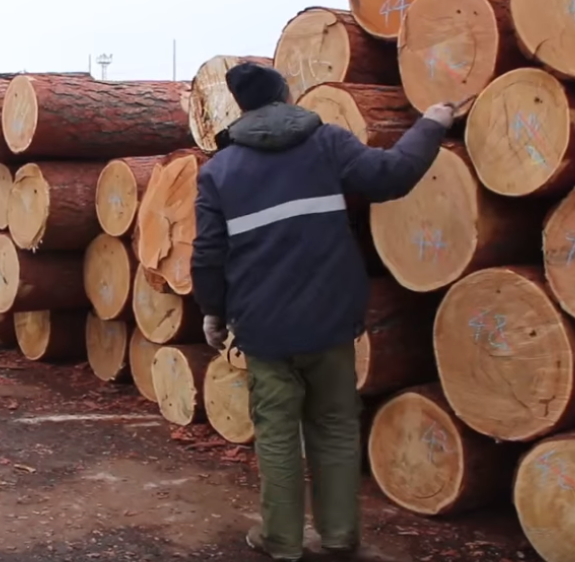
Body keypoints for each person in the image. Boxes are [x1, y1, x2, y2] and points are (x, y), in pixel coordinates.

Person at [190, 63, 455, 560]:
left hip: (264, 328)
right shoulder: (326, 143)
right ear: (286, 96)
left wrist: (212, 313)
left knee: (277, 435)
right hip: (331, 321)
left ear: (241, 108)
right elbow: (391, 175)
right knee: (334, 427)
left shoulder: (218, 172)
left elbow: (208, 253)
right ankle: (339, 537)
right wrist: (432, 123)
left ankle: (282, 541)